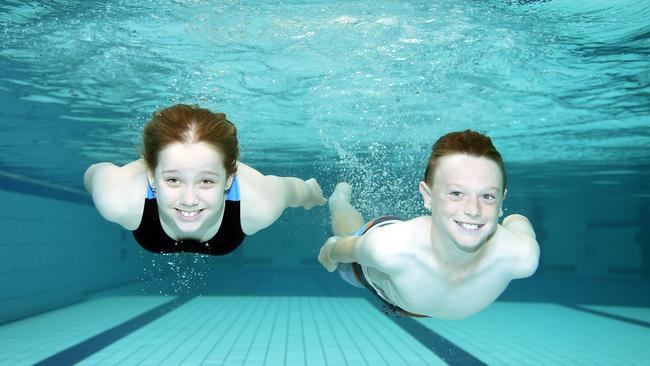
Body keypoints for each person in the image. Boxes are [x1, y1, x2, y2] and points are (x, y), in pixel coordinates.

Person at [318, 130, 539, 319]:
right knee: (349, 237)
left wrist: (514, 219)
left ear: (502, 202)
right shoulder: (387, 249)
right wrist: (330, 252)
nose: (473, 210)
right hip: (380, 266)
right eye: (456, 193)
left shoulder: (520, 256)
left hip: (415, 251)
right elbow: (342, 248)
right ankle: (339, 201)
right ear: (427, 196)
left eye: (488, 196)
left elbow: (518, 222)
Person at [84, 104, 326, 256]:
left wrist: (310, 193)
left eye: (206, 182)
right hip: (164, 169)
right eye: (173, 180)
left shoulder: (259, 202)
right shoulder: (117, 197)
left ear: (229, 179)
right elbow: (95, 172)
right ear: (151, 176)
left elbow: (292, 190)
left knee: (301, 193)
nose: (189, 200)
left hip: (227, 177)